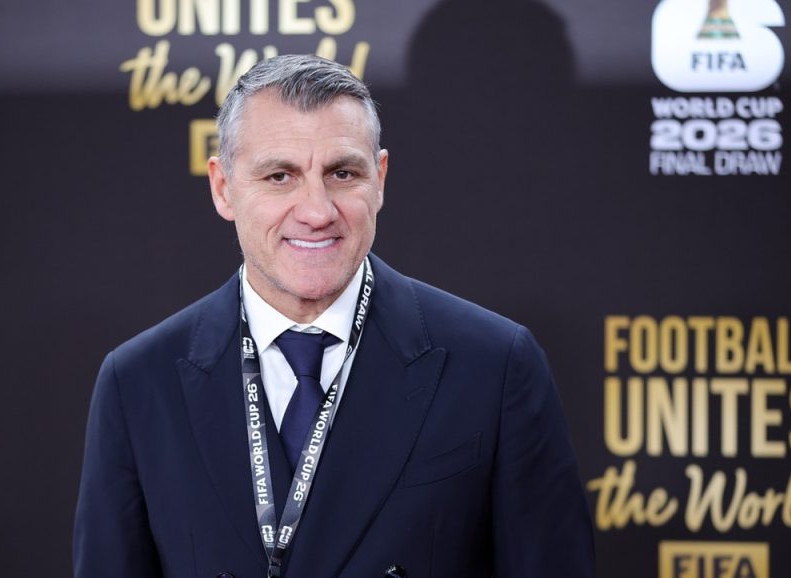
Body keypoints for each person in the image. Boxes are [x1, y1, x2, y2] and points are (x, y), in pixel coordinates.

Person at [73, 54, 594, 578]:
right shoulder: (138, 382)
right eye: (280, 176)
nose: (317, 211)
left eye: (342, 173)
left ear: (379, 179)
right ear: (223, 188)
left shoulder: (495, 365)